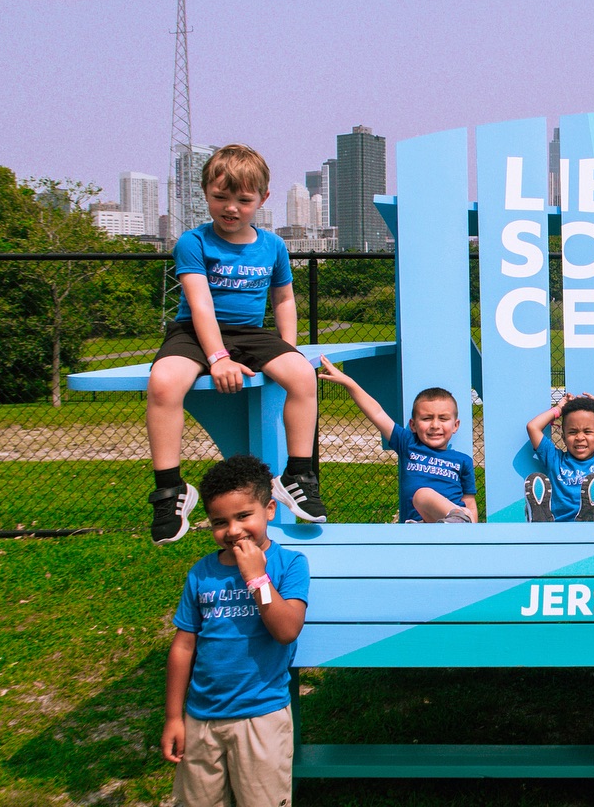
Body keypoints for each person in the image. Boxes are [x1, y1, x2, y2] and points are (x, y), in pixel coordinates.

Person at [145, 144, 323, 544]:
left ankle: (297, 475)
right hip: (193, 330)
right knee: (163, 383)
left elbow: (284, 299)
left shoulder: (273, 246)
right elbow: (201, 304)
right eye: (220, 197)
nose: (231, 208)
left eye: (243, 200)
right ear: (205, 192)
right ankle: (170, 490)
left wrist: (286, 349)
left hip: (249, 332)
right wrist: (218, 357)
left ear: (263, 198)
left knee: (302, 377)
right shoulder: (193, 242)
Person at [161, 454, 309, 807]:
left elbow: (286, 630)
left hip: (261, 716)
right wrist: (173, 717)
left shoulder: (290, 565)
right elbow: (183, 647)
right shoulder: (202, 573)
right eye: (219, 522)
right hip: (202, 719)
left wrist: (256, 577)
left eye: (244, 516)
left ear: (270, 510)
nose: (233, 531)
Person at [317, 357, 477, 524]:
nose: (435, 425)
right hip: (420, 525)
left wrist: (474, 534)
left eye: (443, 419)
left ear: (455, 425)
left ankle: (457, 524)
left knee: (455, 509)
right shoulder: (408, 443)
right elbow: (377, 413)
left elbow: (470, 503)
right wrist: (348, 382)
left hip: (456, 524)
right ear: (413, 425)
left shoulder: (463, 461)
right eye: (427, 418)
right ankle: (455, 524)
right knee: (422, 495)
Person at [525, 392, 594, 522]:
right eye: (572, 432)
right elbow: (533, 427)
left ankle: (590, 516)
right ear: (563, 438)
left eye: (587, 432)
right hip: (560, 526)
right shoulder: (554, 459)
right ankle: (540, 518)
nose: (580, 438)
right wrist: (559, 409)